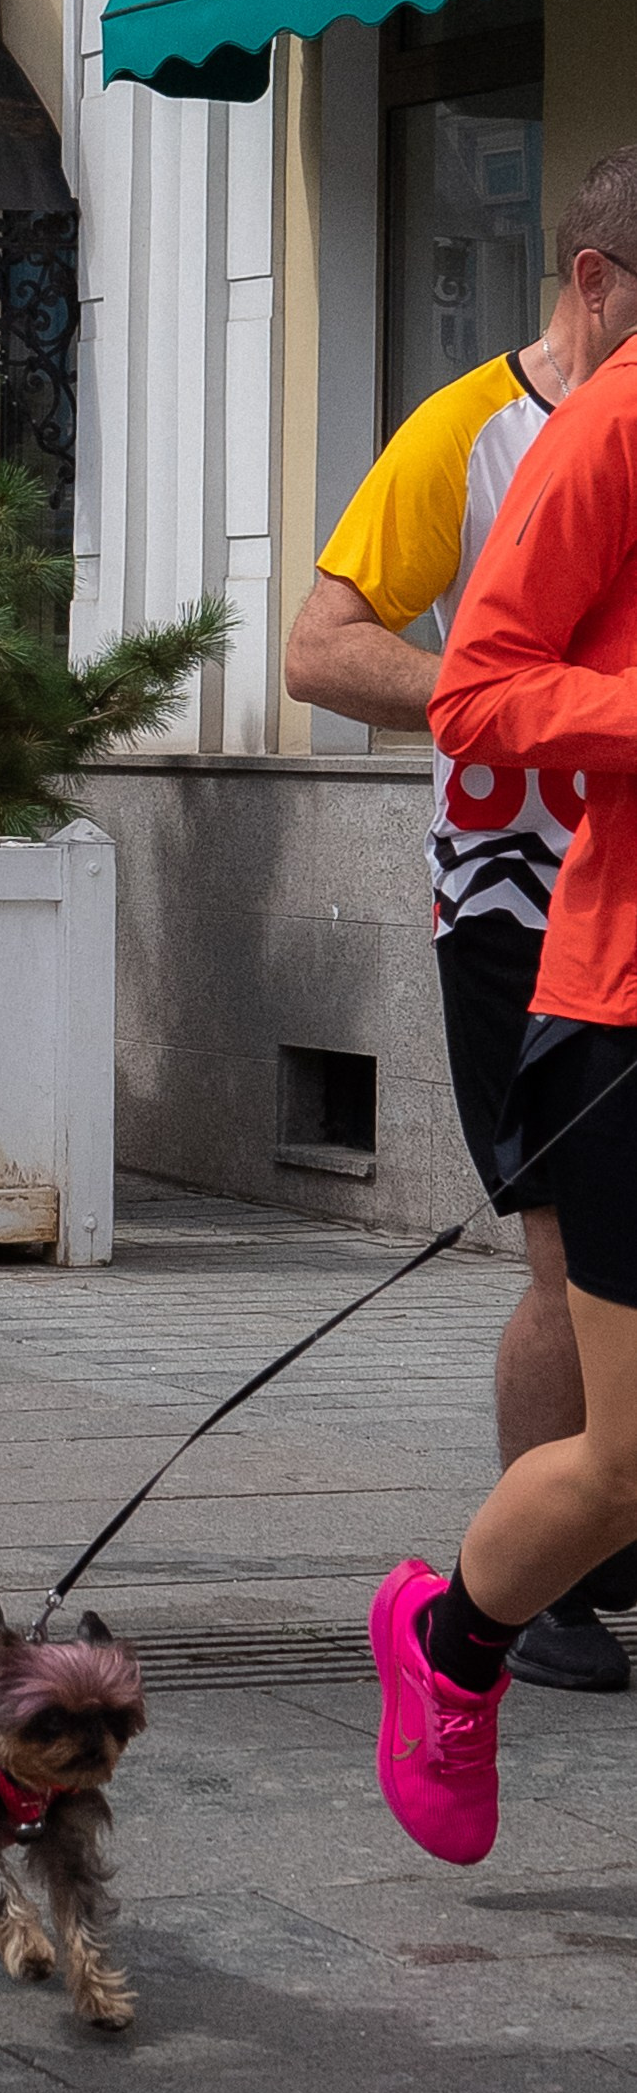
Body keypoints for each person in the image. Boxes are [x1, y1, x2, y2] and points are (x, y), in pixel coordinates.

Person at [285, 151, 637, 1691]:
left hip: (608, 875)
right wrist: (537, 724)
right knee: (558, 1254)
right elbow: (315, 646)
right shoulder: (469, 429)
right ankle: (535, 1579)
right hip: (517, 896)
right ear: (591, 279)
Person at [370, 263, 637, 1864]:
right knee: (619, 1466)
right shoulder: (616, 413)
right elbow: (474, 686)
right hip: (621, 1004)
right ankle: (452, 1641)